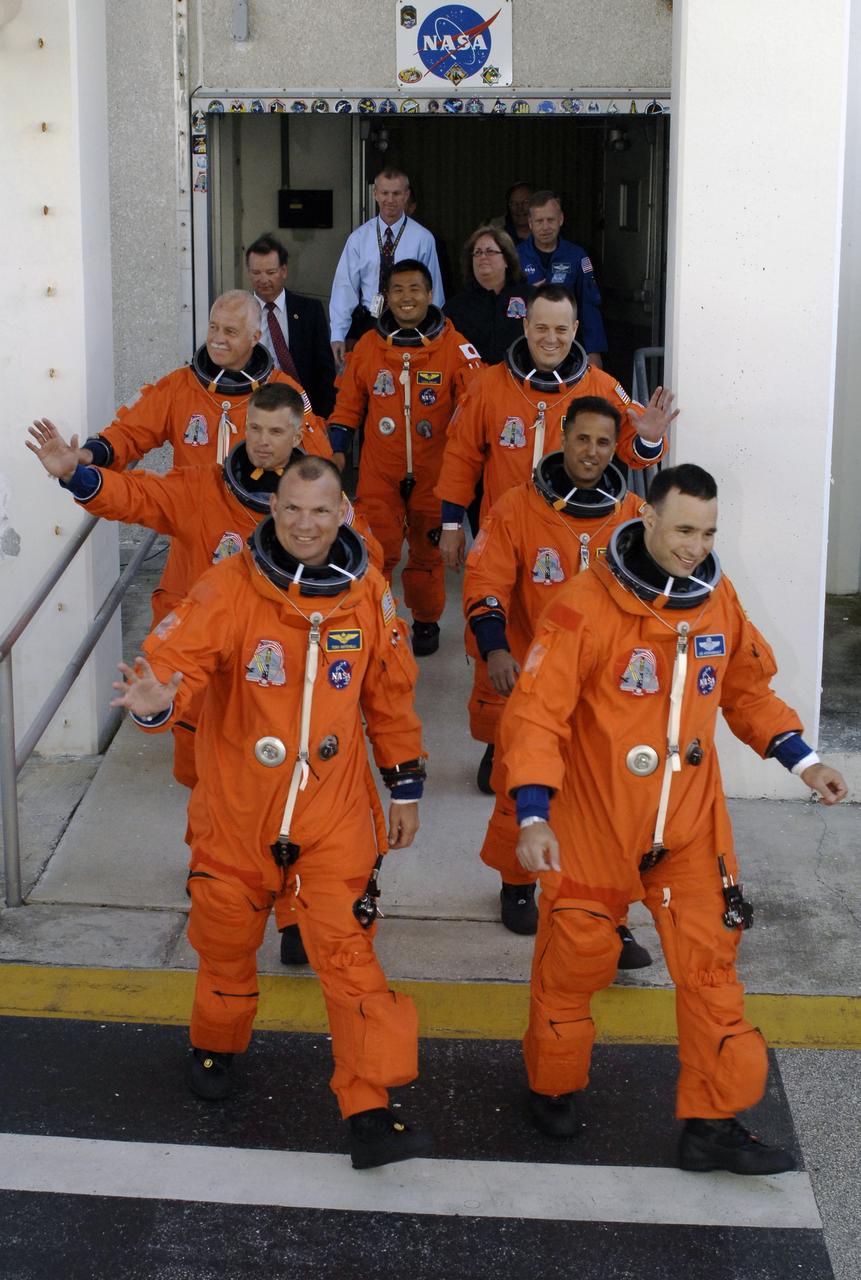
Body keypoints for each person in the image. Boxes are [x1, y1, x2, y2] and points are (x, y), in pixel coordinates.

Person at [499, 463, 848, 1173]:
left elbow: (747, 692)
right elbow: (536, 715)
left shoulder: (716, 600)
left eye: (708, 532)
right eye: (683, 529)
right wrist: (532, 814)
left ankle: (711, 1127)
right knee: (575, 962)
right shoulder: (583, 605)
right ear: (647, 518)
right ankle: (553, 1086)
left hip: (687, 827)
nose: (695, 546)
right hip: (596, 824)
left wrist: (803, 761)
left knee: (711, 969)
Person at [110, 454, 433, 1171]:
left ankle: (370, 1106)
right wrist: (158, 702)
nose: (305, 524)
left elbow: (389, 696)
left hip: (333, 815)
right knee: (225, 940)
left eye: (320, 510)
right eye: (291, 508)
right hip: (238, 813)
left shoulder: (368, 593)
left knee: (348, 958)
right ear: (273, 510)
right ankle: (216, 1047)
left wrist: (404, 787)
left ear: (344, 512)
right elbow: (177, 662)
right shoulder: (229, 586)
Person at [26, 385, 379, 795]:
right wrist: (76, 475)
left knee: (287, 772)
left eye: (276, 432)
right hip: (208, 648)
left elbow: (365, 567)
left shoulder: (322, 508)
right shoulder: (203, 488)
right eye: (256, 429)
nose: (263, 441)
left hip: (280, 660)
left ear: (299, 436)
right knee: (206, 783)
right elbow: (138, 495)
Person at [462, 396, 650, 970]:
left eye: (602, 442)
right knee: (521, 785)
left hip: (608, 692)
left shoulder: (636, 517)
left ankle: (607, 917)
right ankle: (516, 882)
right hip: (534, 676)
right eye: (581, 439)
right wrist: (495, 648)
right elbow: (485, 581)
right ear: (562, 438)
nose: (591, 453)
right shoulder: (517, 508)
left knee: (608, 808)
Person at [436, 283, 675, 572]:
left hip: (570, 536)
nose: (551, 339)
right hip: (503, 528)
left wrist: (649, 439)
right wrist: (451, 524)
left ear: (575, 329)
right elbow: (461, 457)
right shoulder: (489, 386)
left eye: (561, 329)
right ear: (525, 326)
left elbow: (635, 452)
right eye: (541, 328)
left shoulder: (600, 387)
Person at [328, 259, 482, 656]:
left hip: (436, 473)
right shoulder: (367, 347)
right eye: (397, 290)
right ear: (386, 299)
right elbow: (347, 406)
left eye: (415, 288)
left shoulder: (457, 348)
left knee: (428, 552)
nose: (406, 297)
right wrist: (337, 452)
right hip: (381, 472)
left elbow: (477, 411)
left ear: (430, 295)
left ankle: (426, 619)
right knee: (377, 549)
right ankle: (373, 617)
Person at [76, 291, 330, 472]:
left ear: (255, 337)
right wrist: (90, 453)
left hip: (255, 525)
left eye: (230, 331)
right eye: (213, 327)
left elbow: (317, 462)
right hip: (193, 525)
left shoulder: (284, 391)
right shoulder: (179, 385)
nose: (217, 339)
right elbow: (130, 432)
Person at [329, 168, 445, 369]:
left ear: (406, 195)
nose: (390, 199)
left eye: (396, 193)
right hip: (368, 322)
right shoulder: (358, 239)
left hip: (410, 323)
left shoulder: (423, 238)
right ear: (375, 194)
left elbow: (433, 291)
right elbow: (344, 288)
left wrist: (433, 332)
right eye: (384, 193)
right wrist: (338, 334)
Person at [246, 232, 337, 417]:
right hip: (253, 410)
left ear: (284, 271)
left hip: (302, 410)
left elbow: (324, 372)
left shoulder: (310, 310)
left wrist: (325, 419)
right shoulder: (239, 313)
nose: (263, 280)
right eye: (256, 273)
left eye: (270, 272)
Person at [517, 191, 607, 365]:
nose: (545, 227)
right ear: (530, 223)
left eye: (550, 220)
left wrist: (593, 350)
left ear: (561, 220)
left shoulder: (577, 256)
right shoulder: (515, 256)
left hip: (568, 348)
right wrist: (526, 293)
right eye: (539, 221)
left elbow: (589, 306)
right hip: (526, 348)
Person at [444, 226, 529, 367]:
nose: (482, 257)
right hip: (473, 383)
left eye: (490, 251)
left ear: (507, 259)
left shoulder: (530, 298)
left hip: (518, 382)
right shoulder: (455, 307)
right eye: (477, 253)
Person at [495, 181, 533, 245]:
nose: (520, 208)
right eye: (514, 203)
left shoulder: (547, 229)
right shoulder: (496, 232)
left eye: (526, 202)